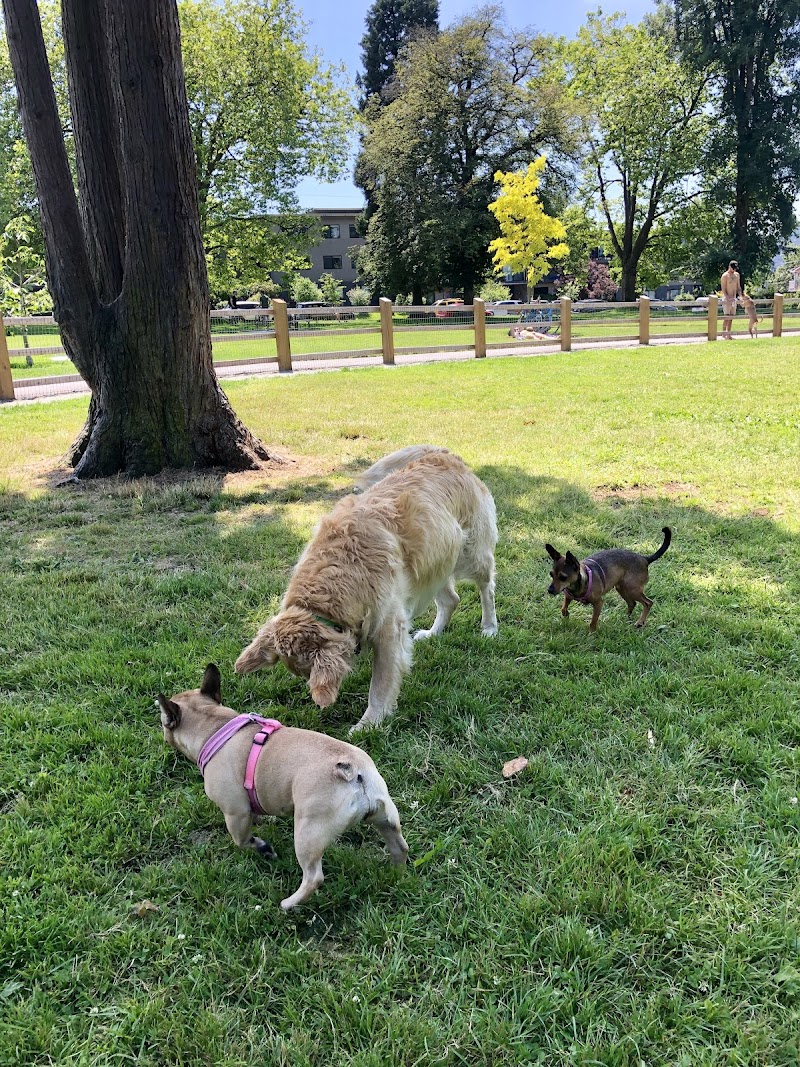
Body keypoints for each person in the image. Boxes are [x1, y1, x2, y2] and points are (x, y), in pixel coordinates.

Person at [720, 260, 741, 339]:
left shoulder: (737, 275)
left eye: (735, 268)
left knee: (731, 317)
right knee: (726, 317)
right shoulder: (725, 276)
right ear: (729, 267)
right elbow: (723, 288)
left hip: (734, 298)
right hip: (727, 298)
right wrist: (727, 297)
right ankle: (723, 333)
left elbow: (738, 287)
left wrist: (740, 296)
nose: (734, 270)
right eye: (733, 268)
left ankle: (729, 333)